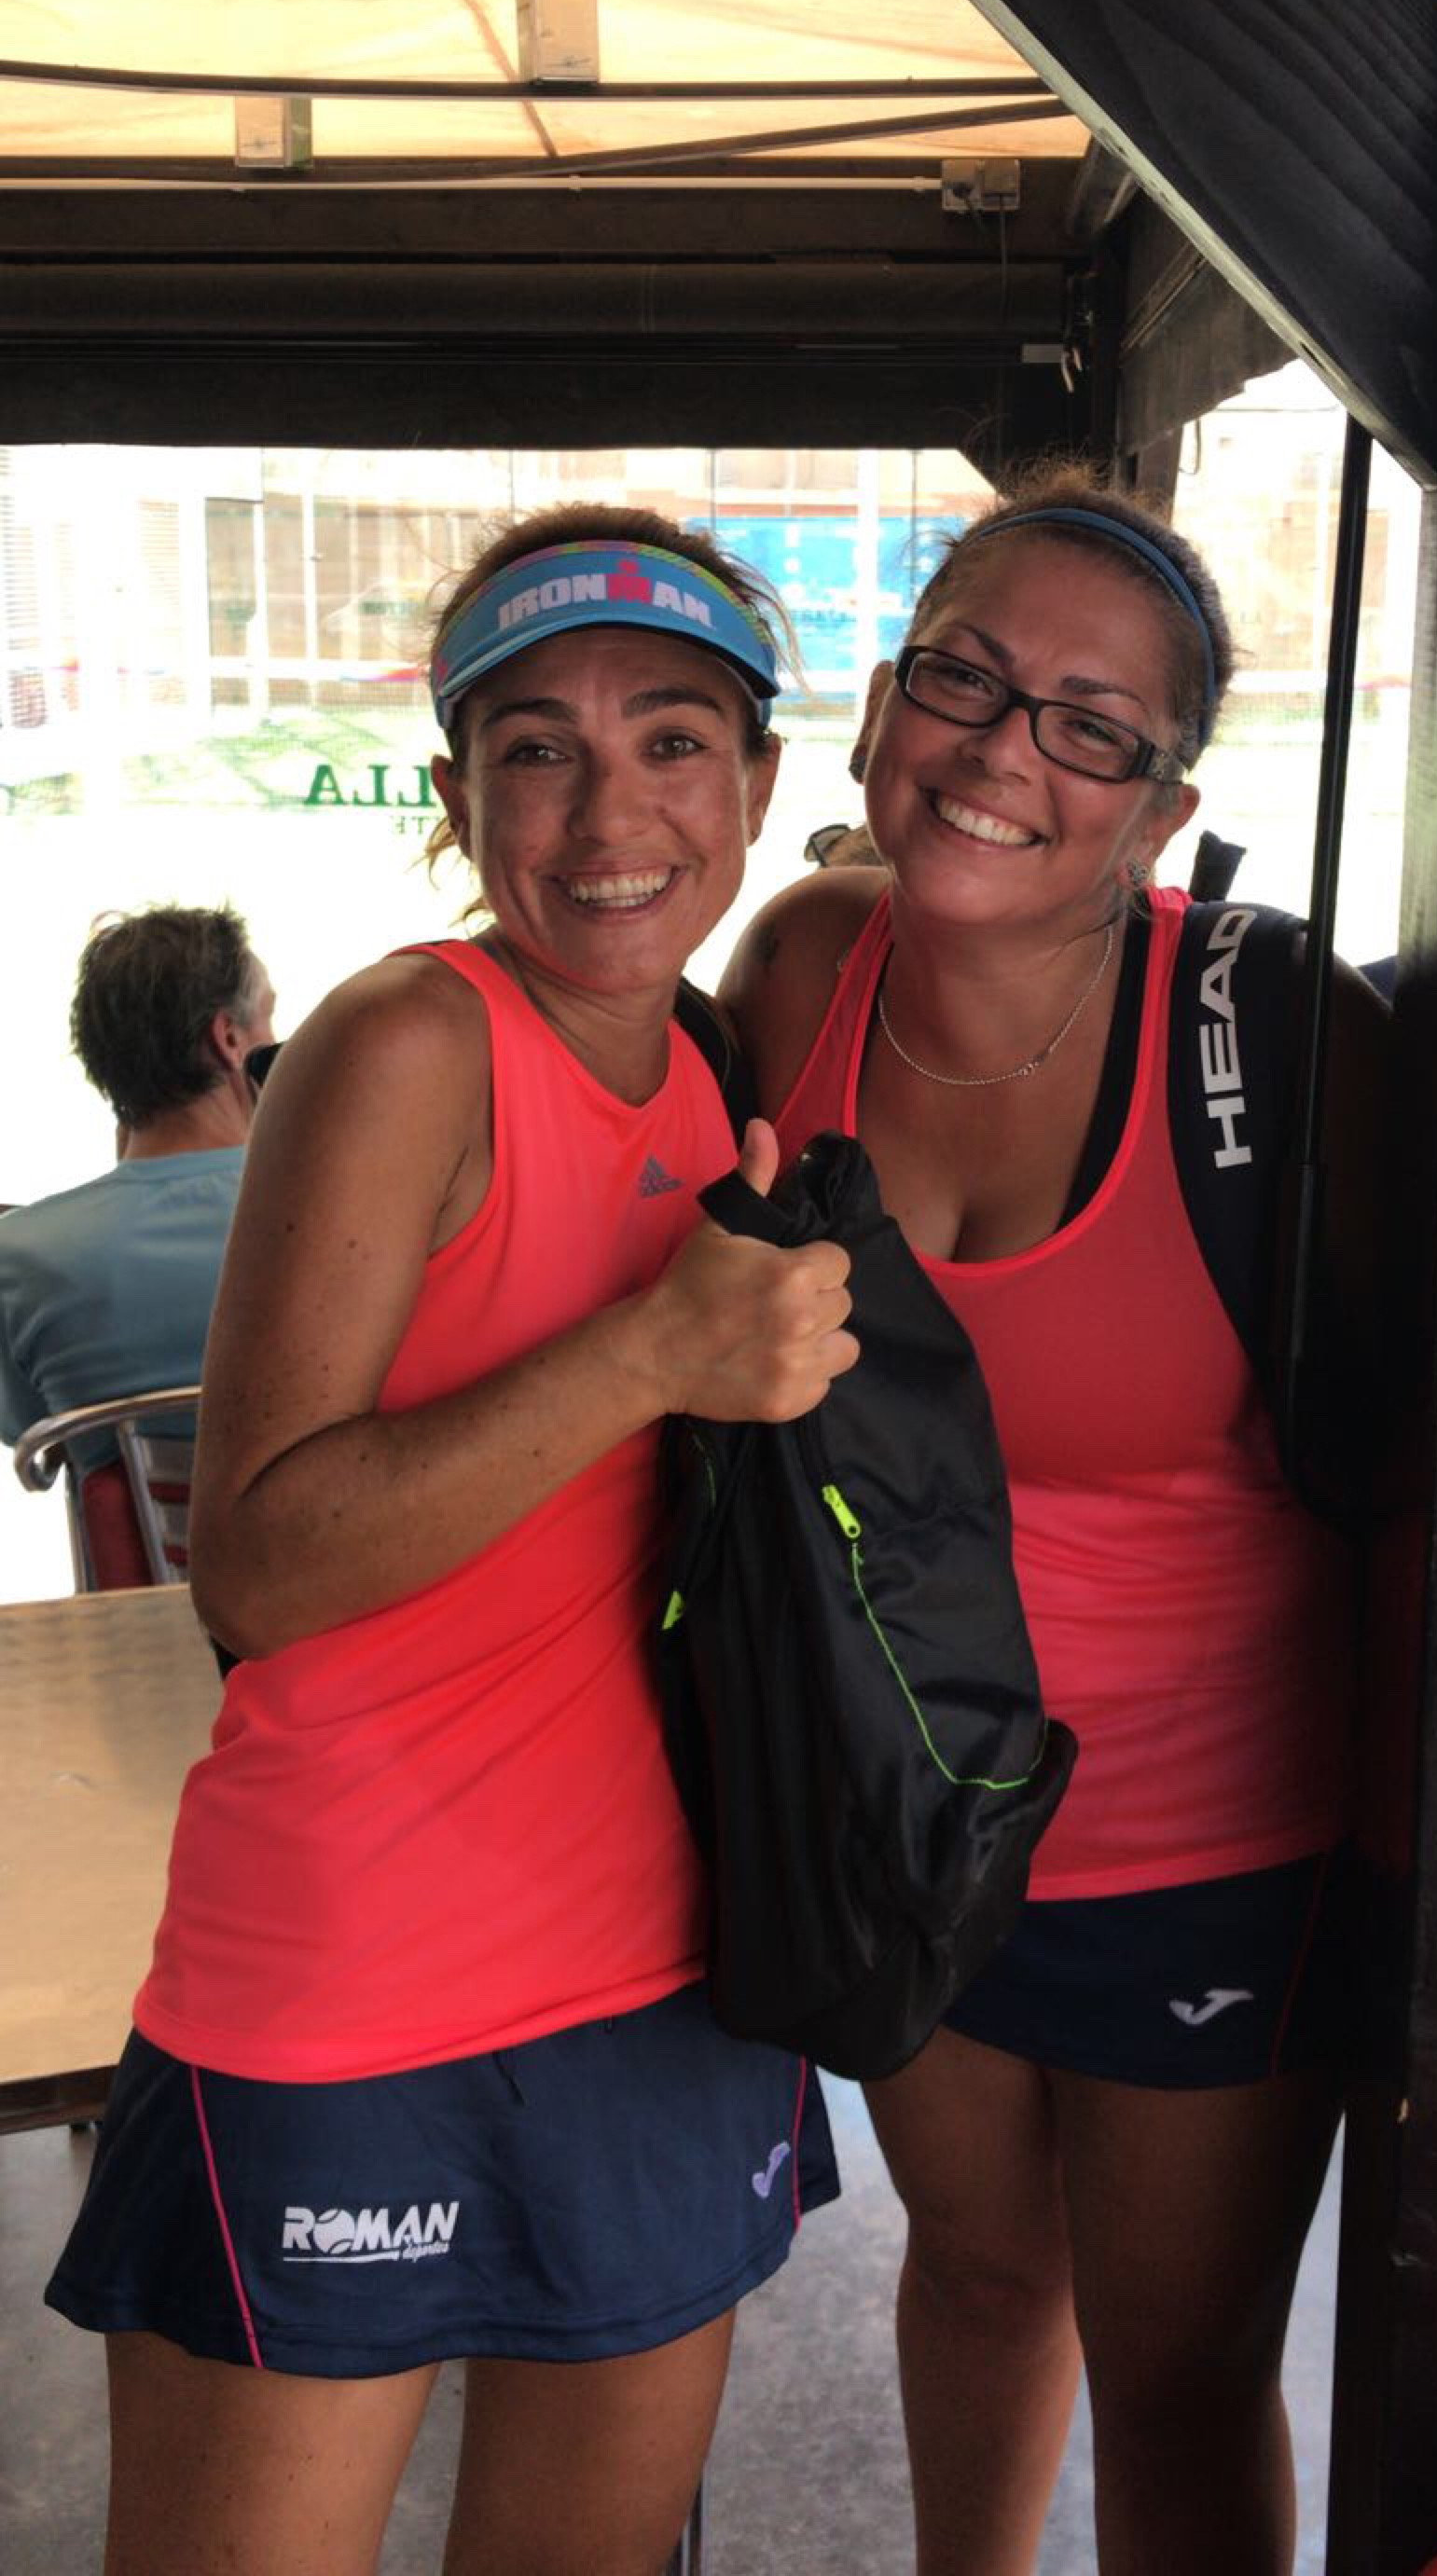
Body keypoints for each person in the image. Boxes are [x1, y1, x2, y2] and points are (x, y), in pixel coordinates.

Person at [46, 504, 857, 2576]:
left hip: (674, 1981)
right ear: (455, 794)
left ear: (758, 780)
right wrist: (654, 1350)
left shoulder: (711, 1061)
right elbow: (259, 1563)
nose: (611, 813)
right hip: (352, 1986)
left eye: (673, 741)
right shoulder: (409, 1041)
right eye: (536, 749)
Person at [720, 464, 1388, 2576]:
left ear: (1162, 809)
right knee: (983, 2277)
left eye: (1092, 727)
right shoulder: (799, 973)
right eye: (966, 680)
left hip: (1212, 1851)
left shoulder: (1281, 1038)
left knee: (1179, 2373)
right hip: (906, 1815)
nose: (1007, 753)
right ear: (879, 709)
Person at [0, 903, 275, 1478]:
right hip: (346, 1532)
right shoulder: (346, 1214)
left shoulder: (19, 1256)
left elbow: (34, 1429)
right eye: (268, 1019)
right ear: (229, 1039)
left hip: (149, 1541)